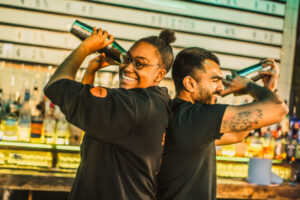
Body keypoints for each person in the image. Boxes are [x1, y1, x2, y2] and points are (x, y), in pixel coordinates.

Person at [44, 27, 176, 200]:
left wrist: (85, 48)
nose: (128, 68)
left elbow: (56, 87)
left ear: (159, 74)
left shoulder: (132, 105)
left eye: (140, 63)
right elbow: (91, 118)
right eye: (126, 59)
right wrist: (91, 70)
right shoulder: (155, 102)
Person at [157, 47, 289, 200]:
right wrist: (249, 86)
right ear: (190, 83)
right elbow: (279, 109)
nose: (221, 88)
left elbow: (236, 135)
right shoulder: (197, 117)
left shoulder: (180, 114)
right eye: (215, 80)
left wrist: (268, 88)